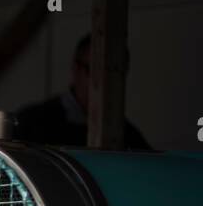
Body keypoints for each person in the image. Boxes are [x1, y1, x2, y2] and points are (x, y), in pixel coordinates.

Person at [15, 34, 151, 149]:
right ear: (76, 69)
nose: (104, 82)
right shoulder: (32, 124)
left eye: (115, 74)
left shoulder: (128, 137)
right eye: (95, 71)